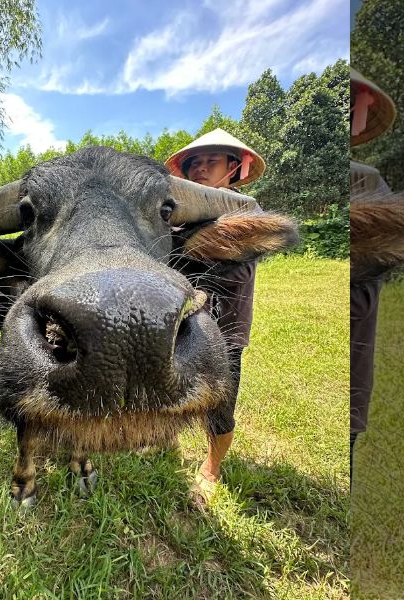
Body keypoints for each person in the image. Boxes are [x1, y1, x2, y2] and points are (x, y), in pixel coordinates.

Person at [164, 128, 266, 505]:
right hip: (179, 321)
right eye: (195, 164)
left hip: (225, 326)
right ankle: (165, 436)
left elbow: (237, 271)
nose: (202, 169)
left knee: (220, 403)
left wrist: (186, 258)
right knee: (168, 384)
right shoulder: (177, 216)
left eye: (212, 161)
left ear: (234, 167)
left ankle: (211, 467)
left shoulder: (246, 213)